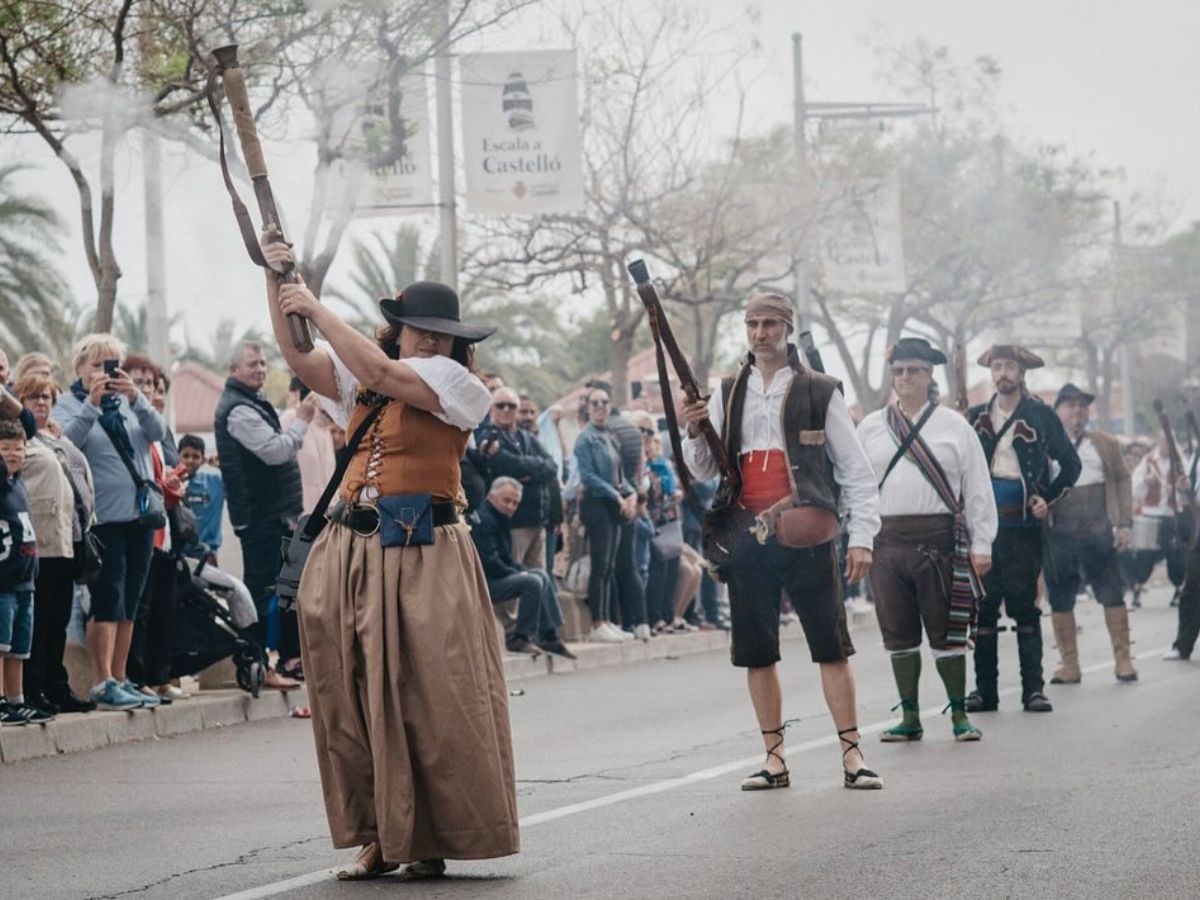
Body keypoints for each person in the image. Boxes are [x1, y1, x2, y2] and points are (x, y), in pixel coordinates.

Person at [264, 240, 519, 881]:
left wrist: (315, 307)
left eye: (441, 335)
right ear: (398, 330)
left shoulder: (461, 386)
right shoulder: (364, 369)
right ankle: (380, 833)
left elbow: (381, 377)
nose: (429, 343)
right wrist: (278, 279)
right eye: (419, 331)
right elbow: (297, 355)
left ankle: (431, 835)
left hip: (426, 552)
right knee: (352, 695)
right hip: (352, 547)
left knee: (428, 698)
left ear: (456, 345)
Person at [681, 293, 883, 791]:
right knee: (757, 651)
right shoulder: (728, 391)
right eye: (752, 324)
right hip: (747, 537)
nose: (760, 333)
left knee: (831, 646)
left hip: (808, 530)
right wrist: (693, 431)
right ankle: (774, 760)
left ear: (787, 328)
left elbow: (856, 470)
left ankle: (852, 757)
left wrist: (863, 538)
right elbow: (704, 469)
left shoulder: (820, 390)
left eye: (769, 323)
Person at [856, 338, 997, 742]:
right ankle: (910, 717)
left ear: (929, 375)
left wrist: (982, 543)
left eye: (913, 371)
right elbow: (858, 486)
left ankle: (958, 716)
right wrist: (860, 538)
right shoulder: (870, 426)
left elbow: (977, 487)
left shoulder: (955, 426)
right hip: (886, 541)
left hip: (940, 541)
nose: (904, 378)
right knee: (897, 632)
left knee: (947, 631)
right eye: (898, 371)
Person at [53, 333, 166, 711]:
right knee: (109, 599)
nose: (107, 372)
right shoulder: (68, 405)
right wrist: (91, 405)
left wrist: (138, 398)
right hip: (103, 520)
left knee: (130, 599)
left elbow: (158, 435)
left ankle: (120, 676)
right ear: (81, 369)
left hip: (141, 516)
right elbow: (64, 446)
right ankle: (101, 680)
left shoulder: (130, 403)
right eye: (99, 365)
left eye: (112, 364)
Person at [966, 345, 1080, 714]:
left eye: (1009, 367)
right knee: (983, 609)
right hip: (984, 527)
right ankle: (985, 691)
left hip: (1024, 527)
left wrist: (1047, 497)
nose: (1003, 373)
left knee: (1024, 607)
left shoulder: (1041, 415)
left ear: (1021, 372)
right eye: (997, 367)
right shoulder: (973, 416)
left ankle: (1033, 689)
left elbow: (1071, 464)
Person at [213, 341, 308, 689]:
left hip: (277, 514)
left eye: (264, 363)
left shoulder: (252, 402)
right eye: (253, 364)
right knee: (261, 591)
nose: (261, 369)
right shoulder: (238, 409)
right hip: (259, 516)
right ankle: (254, 662)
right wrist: (303, 421)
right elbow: (274, 451)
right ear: (233, 369)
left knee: (287, 588)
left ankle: (287, 660)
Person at [13, 374, 97, 715]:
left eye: (47, 397)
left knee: (58, 618)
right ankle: (33, 689)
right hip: (37, 542)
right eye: (33, 397)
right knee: (39, 620)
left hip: (67, 539)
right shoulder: (20, 440)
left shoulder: (56, 438)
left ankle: (55, 685)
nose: (42, 403)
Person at [1044, 384, 1137, 684]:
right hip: (1060, 531)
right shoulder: (1046, 444)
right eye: (1070, 405)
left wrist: (1124, 523)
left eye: (1082, 406)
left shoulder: (1105, 443)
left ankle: (1123, 660)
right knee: (1060, 597)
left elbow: (1122, 480)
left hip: (1099, 529)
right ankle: (1069, 664)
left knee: (1112, 592)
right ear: (1057, 411)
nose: (1077, 411)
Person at [470, 477, 574, 658]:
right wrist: (517, 572)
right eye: (507, 501)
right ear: (492, 497)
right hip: (483, 582)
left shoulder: (498, 516)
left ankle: (549, 635)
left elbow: (505, 558)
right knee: (531, 582)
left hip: (496, 575)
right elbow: (489, 562)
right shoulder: (484, 519)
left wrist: (518, 569)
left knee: (541, 574)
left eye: (515, 503)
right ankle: (519, 638)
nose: (511, 506)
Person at [0, 418, 53, 725]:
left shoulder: (18, 482)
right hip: (4, 580)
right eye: (5, 448)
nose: (12, 454)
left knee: (19, 647)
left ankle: (16, 699)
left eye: (18, 448)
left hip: (25, 580)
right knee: (2, 643)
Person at [573, 386, 637, 643]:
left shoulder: (610, 435)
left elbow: (620, 474)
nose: (600, 407)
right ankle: (597, 622)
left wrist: (631, 494)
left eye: (604, 402)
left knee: (610, 565)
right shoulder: (585, 438)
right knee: (600, 565)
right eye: (595, 403)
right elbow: (588, 476)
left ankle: (609, 620)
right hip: (596, 503)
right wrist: (616, 495)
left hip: (614, 504)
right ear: (588, 408)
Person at [1130, 434, 1189, 608]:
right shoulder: (1148, 461)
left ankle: (1178, 589)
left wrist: (1179, 489)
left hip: (1172, 514)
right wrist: (1146, 483)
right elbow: (1136, 486)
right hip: (1151, 513)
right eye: (1163, 442)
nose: (1165, 446)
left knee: (1174, 554)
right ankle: (1137, 589)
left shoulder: (1179, 462)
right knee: (1145, 554)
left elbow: (1190, 486)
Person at [178, 434, 225, 563]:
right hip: (178, 554)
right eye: (186, 456)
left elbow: (238, 484)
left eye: (195, 456)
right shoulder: (172, 483)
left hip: (207, 554)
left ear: (202, 459)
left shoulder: (215, 482)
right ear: (178, 457)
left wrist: (221, 465)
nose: (190, 460)